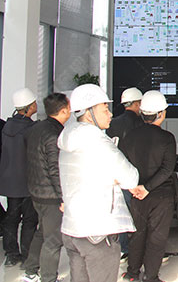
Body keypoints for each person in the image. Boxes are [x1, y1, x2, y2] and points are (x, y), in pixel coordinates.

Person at [58, 84, 139, 282]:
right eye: (105, 109)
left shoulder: (68, 138)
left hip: (72, 229)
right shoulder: (97, 141)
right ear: (89, 113)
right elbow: (131, 177)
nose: (110, 114)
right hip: (98, 232)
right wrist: (114, 178)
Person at [120, 91, 176, 282]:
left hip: (136, 194)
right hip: (161, 196)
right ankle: (151, 277)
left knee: (136, 235)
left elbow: (123, 165)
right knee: (157, 237)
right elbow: (167, 169)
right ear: (160, 114)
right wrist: (148, 188)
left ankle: (132, 273)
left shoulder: (129, 136)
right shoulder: (167, 138)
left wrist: (134, 188)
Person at [22, 93, 71, 282]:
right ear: (64, 110)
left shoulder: (36, 128)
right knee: (53, 240)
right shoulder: (54, 134)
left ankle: (30, 271)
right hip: (50, 196)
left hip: (36, 192)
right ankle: (49, 279)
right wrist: (62, 198)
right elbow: (55, 170)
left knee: (42, 232)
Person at [0, 88, 38, 267]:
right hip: (28, 182)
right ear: (29, 107)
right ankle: (27, 254)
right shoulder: (32, 129)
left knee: (11, 218)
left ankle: (11, 254)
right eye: (34, 103)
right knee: (29, 219)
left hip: (11, 182)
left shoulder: (6, 127)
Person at [107, 87, 144, 262]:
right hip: (135, 176)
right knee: (139, 215)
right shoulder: (140, 124)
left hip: (117, 177)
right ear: (137, 104)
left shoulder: (113, 123)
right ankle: (138, 251)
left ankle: (123, 249)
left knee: (121, 213)